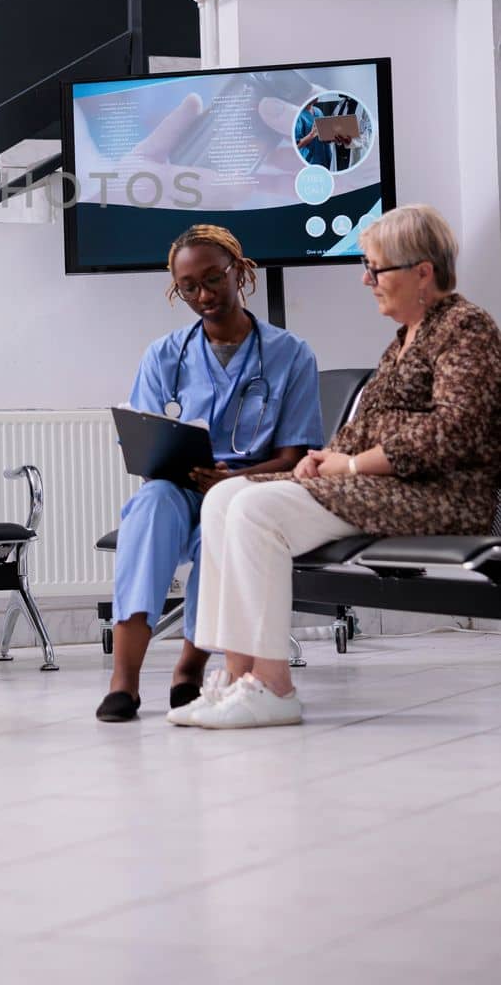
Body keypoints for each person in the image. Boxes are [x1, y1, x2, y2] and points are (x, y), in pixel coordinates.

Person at [176, 204, 501, 730]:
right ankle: (236, 680)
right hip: (388, 487)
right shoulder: (404, 340)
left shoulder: (465, 328)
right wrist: (321, 460)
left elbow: (452, 431)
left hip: (439, 495)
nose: (366, 279)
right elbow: (367, 427)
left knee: (258, 510)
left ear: (422, 272)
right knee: (223, 498)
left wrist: (350, 465)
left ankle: (273, 687)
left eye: (376, 268)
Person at [96, 226, 323, 722]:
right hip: (176, 488)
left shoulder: (291, 355)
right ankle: (124, 682)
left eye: (214, 279)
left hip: (250, 489)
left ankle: (189, 670)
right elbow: (144, 435)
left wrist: (234, 481)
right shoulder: (163, 355)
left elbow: (294, 457)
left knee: (224, 521)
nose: (203, 295)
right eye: (189, 287)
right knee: (150, 506)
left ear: (240, 272)